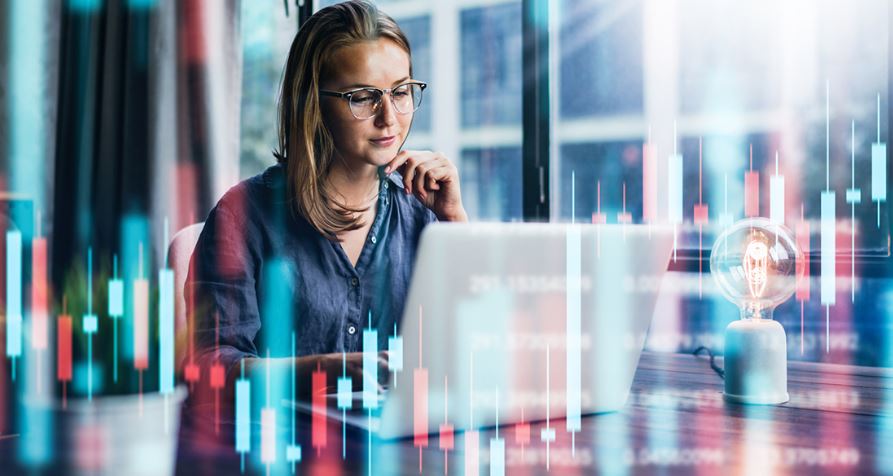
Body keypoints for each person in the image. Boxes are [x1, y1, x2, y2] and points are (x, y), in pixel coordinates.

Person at [185, 0, 467, 401]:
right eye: (363, 97)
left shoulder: (424, 214)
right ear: (313, 103)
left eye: (401, 92)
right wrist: (319, 372)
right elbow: (207, 366)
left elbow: (479, 350)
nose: (389, 117)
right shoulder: (243, 215)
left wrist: (455, 220)